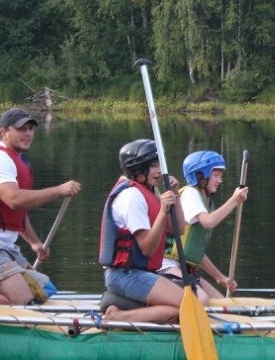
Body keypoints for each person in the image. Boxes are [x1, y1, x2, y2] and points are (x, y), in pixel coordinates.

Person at [0, 107, 81, 305]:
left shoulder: (15, 160)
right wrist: (58, 190)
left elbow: (16, 213)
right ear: (4, 132)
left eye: (30, 129)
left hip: (5, 248)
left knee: (45, 289)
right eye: (21, 129)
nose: (28, 133)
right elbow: (15, 200)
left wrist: (34, 242)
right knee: (24, 300)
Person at [98, 138, 193, 323]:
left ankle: (132, 313)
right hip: (124, 275)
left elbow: (179, 229)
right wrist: (163, 212)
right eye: (154, 166)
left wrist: (175, 194)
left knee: (187, 305)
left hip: (142, 273)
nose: (160, 171)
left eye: (160, 164)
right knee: (186, 305)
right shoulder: (131, 197)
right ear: (138, 169)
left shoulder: (150, 192)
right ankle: (117, 316)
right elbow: (147, 249)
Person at [159, 150, 248, 300]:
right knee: (203, 300)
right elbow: (208, 222)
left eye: (221, 176)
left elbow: (194, 251)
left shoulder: (204, 199)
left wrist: (220, 277)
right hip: (168, 265)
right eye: (216, 175)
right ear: (200, 176)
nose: (220, 180)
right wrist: (234, 200)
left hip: (186, 268)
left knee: (222, 303)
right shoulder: (190, 193)